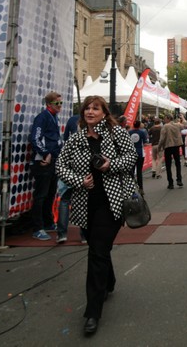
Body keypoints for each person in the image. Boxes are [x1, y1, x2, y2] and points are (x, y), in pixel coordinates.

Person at [55, 96, 137, 337]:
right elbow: (60, 166)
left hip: (112, 203)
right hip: (86, 204)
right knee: (97, 248)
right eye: (87, 108)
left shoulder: (116, 133)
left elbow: (132, 157)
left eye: (95, 108)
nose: (90, 112)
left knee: (97, 252)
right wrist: (78, 180)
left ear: (104, 112)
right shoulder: (76, 138)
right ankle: (109, 281)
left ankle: (93, 312)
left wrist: (111, 165)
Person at [28, 91, 63, 241]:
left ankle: (48, 222)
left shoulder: (53, 117)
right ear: (49, 104)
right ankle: (37, 228)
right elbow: (35, 138)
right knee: (41, 194)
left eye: (61, 103)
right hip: (43, 161)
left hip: (53, 159)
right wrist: (44, 153)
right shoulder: (42, 117)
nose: (60, 105)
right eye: (57, 103)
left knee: (50, 193)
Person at [57, 111, 81, 244]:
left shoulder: (72, 120)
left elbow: (65, 138)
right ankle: (84, 235)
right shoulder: (96, 122)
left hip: (69, 164)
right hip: (82, 166)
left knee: (65, 199)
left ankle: (62, 234)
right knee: (84, 200)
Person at [157, 114, 184, 189]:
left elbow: (162, 138)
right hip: (176, 146)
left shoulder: (165, 126)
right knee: (177, 163)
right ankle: (179, 179)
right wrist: (183, 118)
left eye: (165, 118)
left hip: (168, 146)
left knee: (168, 165)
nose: (164, 120)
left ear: (168, 118)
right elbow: (185, 125)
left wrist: (159, 147)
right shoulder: (177, 125)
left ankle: (170, 183)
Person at [129, 120, 149, 194]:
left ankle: (132, 190)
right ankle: (141, 188)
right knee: (139, 171)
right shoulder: (142, 132)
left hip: (131, 153)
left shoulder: (129, 132)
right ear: (139, 125)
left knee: (131, 171)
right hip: (140, 153)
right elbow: (145, 143)